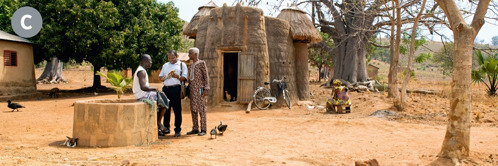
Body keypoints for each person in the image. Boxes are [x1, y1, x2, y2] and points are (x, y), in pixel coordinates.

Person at [133, 54, 168, 136]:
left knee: (162, 100)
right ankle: (158, 123)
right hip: (142, 95)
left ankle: (157, 125)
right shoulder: (141, 72)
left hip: (144, 94)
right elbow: (143, 87)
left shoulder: (142, 70)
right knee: (164, 101)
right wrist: (154, 89)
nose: (151, 62)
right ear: (145, 61)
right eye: (150, 61)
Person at [158, 50, 187, 137]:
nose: (171, 60)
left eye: (172, 58)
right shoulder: (165, 65)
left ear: (176, 56)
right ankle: (166, 128)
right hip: (166, 89)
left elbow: (185, 78)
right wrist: (162, 78)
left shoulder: (182, 65)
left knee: (177, 110)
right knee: (166, 109)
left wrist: (177, 76)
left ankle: (177, 129)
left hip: (176, 89)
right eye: (169, 58)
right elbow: (160, 76)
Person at [186, 47, 210, 136]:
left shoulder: (201, 63)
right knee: (193, 109)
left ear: (195, 54)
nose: (189, 55)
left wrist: (206, 88)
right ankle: (195, 128)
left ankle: (203, 129)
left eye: (190, 53)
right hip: (192, 90)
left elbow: (206, 76)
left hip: (200, 89)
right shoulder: (191, 65)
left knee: (202, 109)